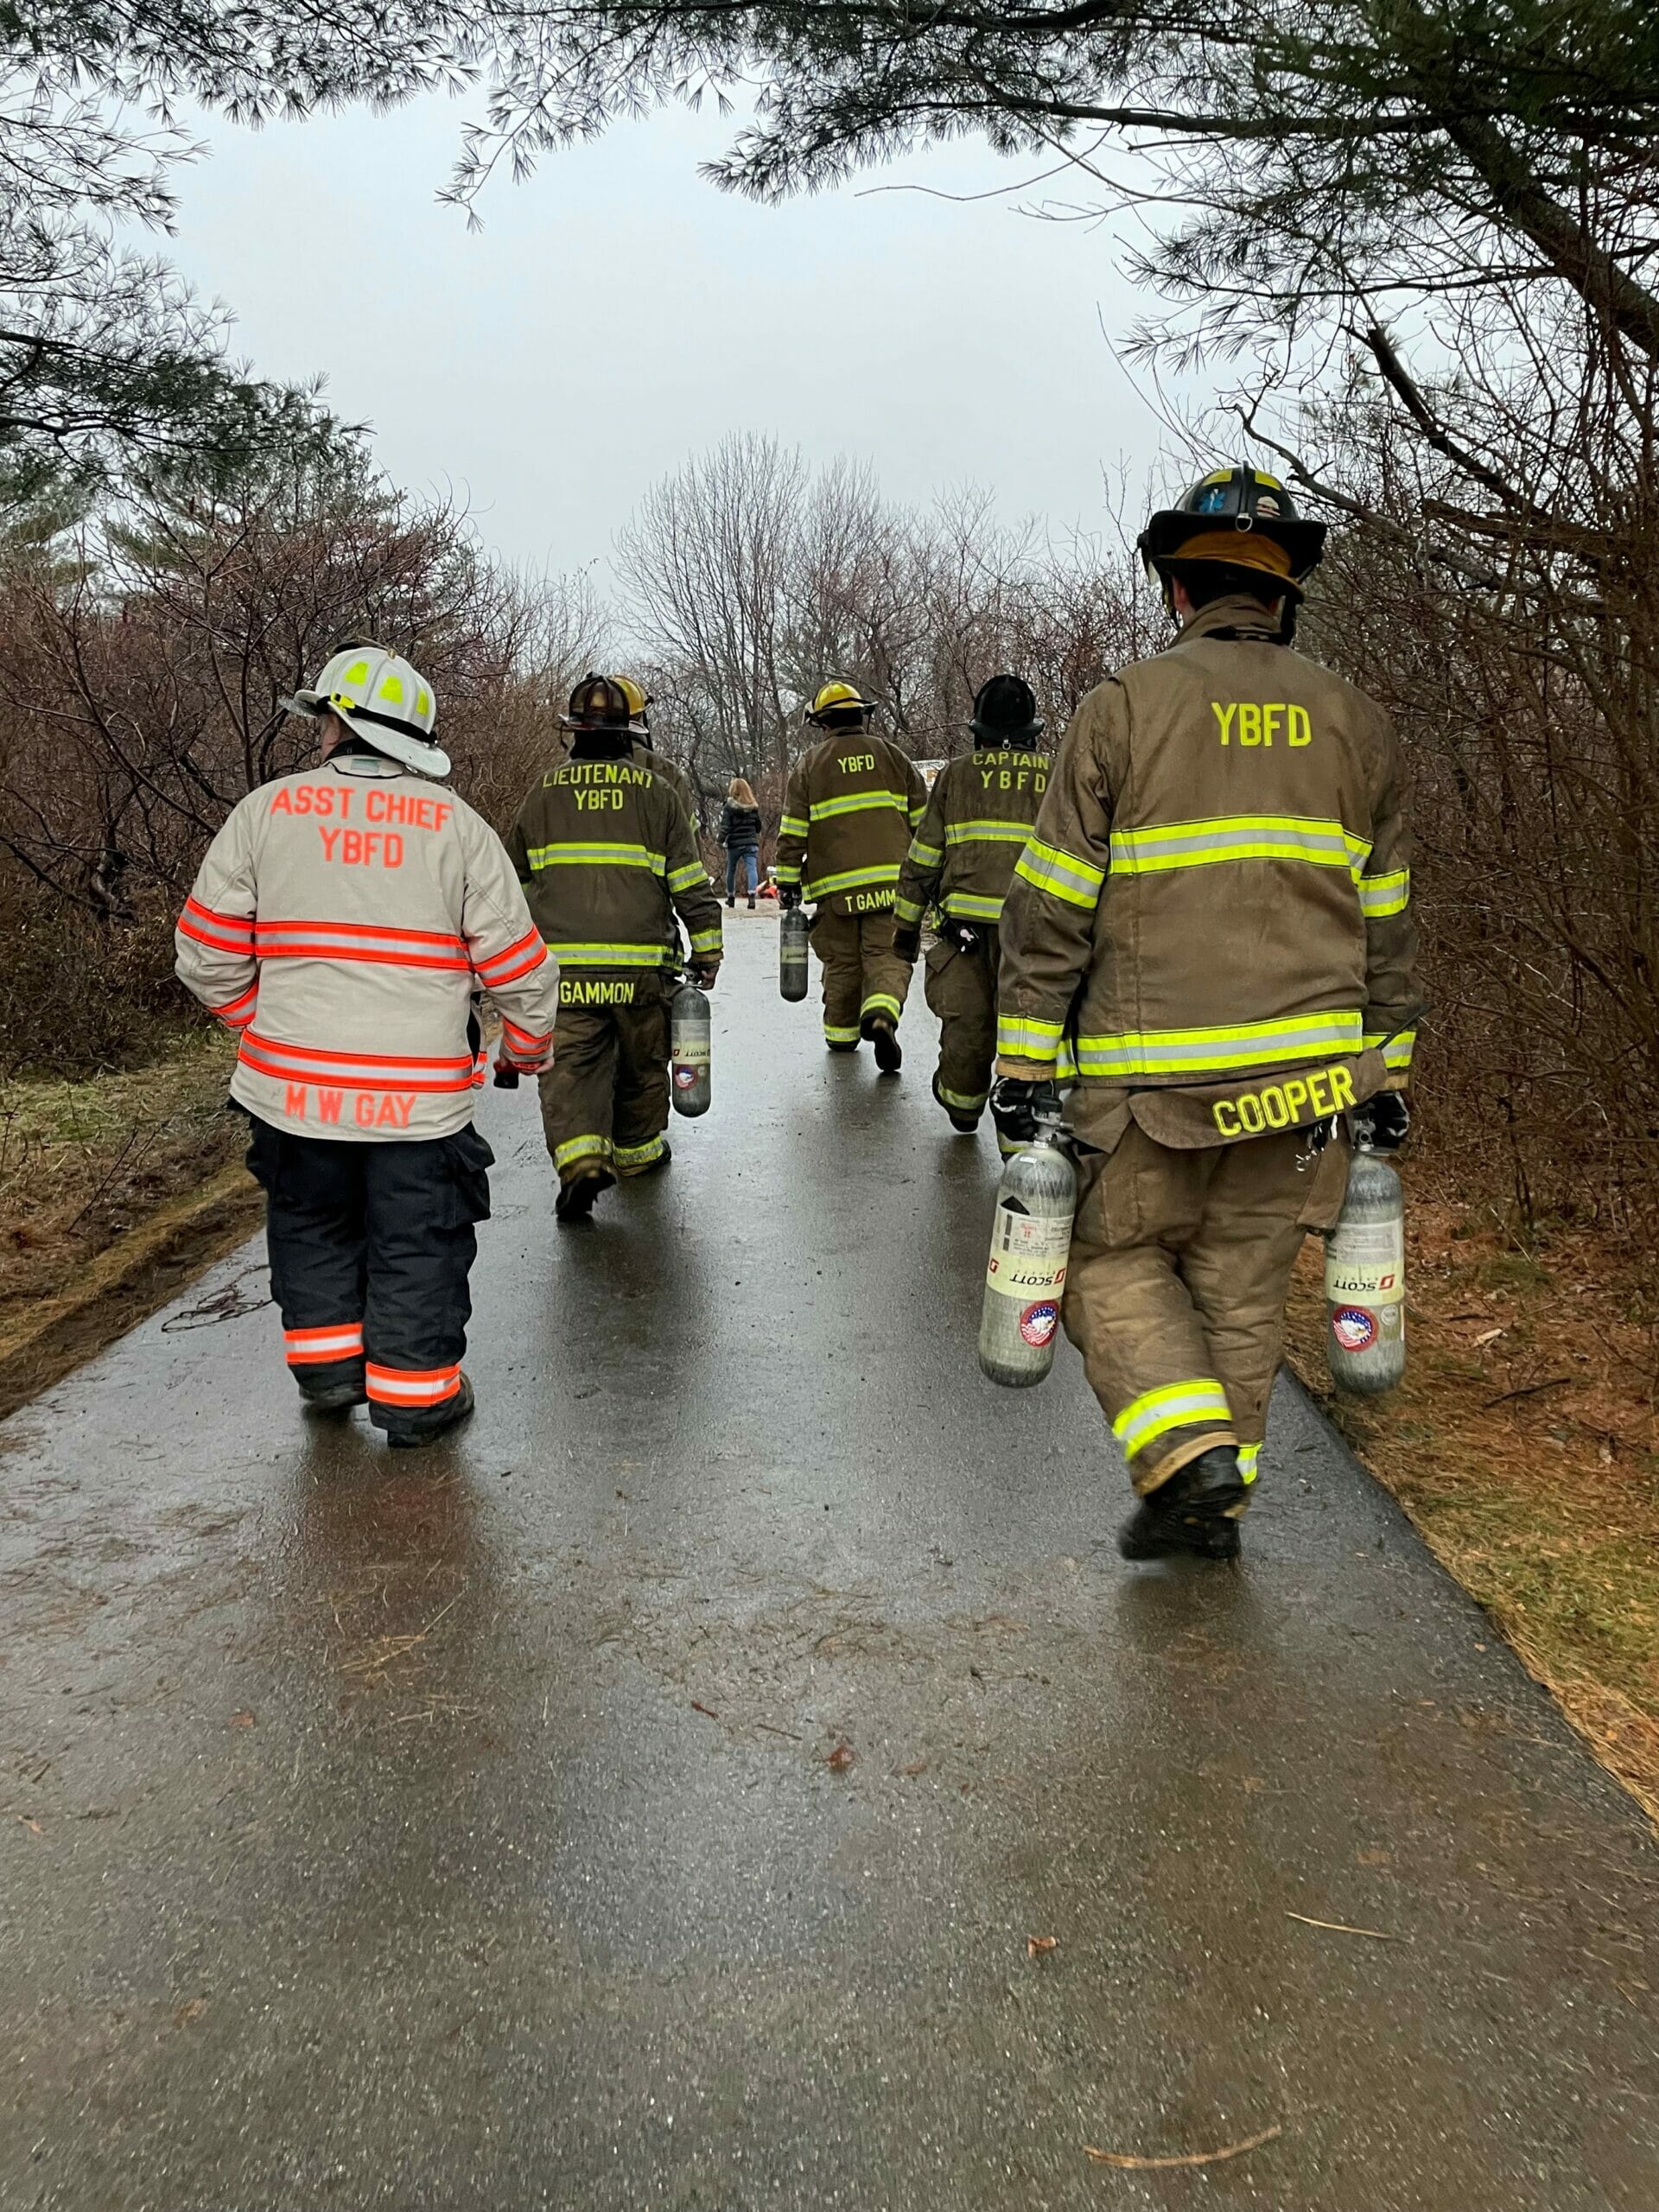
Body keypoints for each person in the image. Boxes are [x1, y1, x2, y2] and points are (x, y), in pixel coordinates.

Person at [994, 467, 1419, 1561]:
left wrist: (1025, 1069)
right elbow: (1389, 923)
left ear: (1179, 589)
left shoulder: (1123, 711)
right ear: (1283, 597)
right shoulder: (1359, 726)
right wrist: (1389, 1078)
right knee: (1240, 1290)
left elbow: (1050, 912)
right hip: (1311, 1095)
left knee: (1102, 1259)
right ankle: (1219, 1507)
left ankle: (1191, 1463)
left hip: (1151, 1092)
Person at [175, 642, 558, 1446]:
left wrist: (263, 1028)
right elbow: (518, 964)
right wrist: (524, 1046)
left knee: (311, 1224)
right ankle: (416, 1402)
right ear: (412, 744)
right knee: (418, 1241)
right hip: (417, 1107)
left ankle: (327, 1371)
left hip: (291, 1096)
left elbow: (205, 954)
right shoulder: (457, 826)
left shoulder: (267, 812)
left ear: (333, 726)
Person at [509, 673, 722, 1223]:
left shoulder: (543, 794)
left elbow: (512, 884)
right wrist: (708, 953)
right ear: (630, 735)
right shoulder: (660, 795)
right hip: (641, 970)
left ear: (573, 734)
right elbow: (691, 885)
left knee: (570, 1071)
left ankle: (580, 1159)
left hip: (565, 971)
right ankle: (636, 1154)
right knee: (642, 1066)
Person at [893, 675, 1048, 1146]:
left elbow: (924, 857)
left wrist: (904, 926)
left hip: (965, 940)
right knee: (1030, 1031)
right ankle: (1019, 1138)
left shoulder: (956, 777)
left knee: (967, 1029)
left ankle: (963, 1104)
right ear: (1031, 734)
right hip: (1037, 938)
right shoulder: (1055, 777)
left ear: (978, 733)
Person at [774, 681, 926, 1071]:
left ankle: (841, 1036)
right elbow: (923, 827)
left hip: (835, 891)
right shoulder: (893, 757)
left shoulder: (810, 765)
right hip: (891, 886)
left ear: (823, 723)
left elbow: (793, 832)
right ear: (862, 716)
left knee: (841, 963)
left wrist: (788, 883)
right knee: (886, 957)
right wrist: (927, 880)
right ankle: (881, 1014)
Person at [719, 778, 763, 908]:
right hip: (750, 843)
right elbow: (758, 827)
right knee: (751, 869)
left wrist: (720, 839)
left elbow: (725, 826)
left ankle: (731, 897)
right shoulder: (753, 807)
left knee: (731, 870)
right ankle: (752, 897)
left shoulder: (729, 807)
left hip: (734, 844)